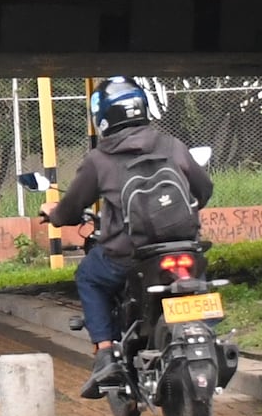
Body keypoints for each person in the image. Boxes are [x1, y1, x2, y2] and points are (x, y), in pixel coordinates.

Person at [38, 76, 213, 399]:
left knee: (89, 276)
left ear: (102, 116)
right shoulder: (172, 145)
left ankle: (106, 354)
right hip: (185, 246)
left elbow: (71, 209)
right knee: (200, 282)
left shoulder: (99, 159)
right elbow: (204, 189)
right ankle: (208, 336)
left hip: (130, 255)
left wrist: (54, 213)